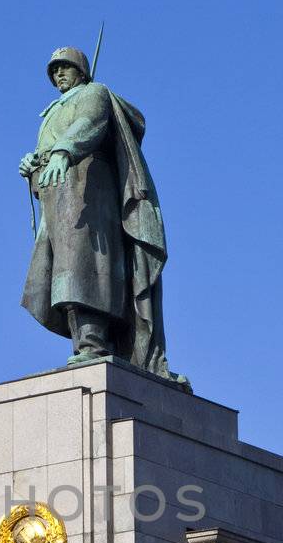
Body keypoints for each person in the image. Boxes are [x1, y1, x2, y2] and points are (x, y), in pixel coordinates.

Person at [19, 46, 183, 385]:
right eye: (54, 70)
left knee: (84, 267)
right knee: (60, 271)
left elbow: (88, 123)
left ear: (81, 69)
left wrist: (65, 150)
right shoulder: (50, 111)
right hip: (59, 200)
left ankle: (93, 342)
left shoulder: (94, 93)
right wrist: (33, 165)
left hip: (89, 194)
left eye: (65, 67)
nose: (59, 75)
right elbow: (47, 156)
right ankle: (87, 343)